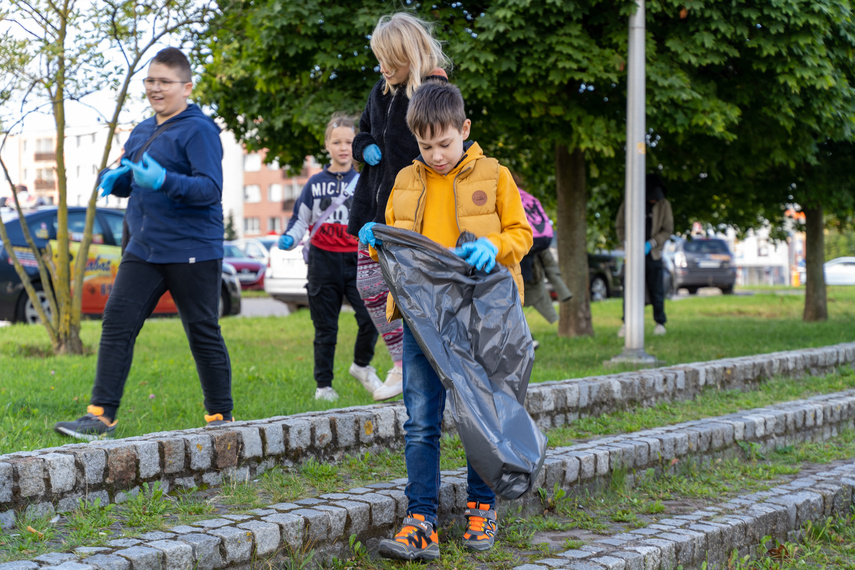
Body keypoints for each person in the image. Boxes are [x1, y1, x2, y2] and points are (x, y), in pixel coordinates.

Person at [359, 81, 533, 561]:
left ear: (465, 129)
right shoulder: (405, 181)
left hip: (480, 316)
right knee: (421, 421)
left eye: (445, 143)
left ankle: (482, 507)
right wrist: (375, 239)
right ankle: (421, 521)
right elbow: (395, 247)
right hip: (423, 320)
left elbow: (523, 232)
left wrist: (493, 246)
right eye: (425, 145)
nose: (435, 154)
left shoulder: (495, 175)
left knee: (482, 414)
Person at [54, 47, 233, 440]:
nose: (155, 88)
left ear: (186, 87)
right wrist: (117, 178)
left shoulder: (199, 130)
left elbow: (210, 189)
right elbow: (128, 171)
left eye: (164, 82)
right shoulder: (140, 130)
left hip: (192, 249)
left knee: (201, 330)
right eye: (150, 80)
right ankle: (101, 416)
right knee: (116, 323)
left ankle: (221, 416)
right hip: (143, 247)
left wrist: (165, 181)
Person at [347, 12, 450, 401]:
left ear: (413, 54)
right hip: (372, 209)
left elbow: (444, 148)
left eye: (391, 61)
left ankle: (425, 363)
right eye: (379, 60)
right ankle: (401, 361)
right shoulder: (381, 91)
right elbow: (362, 130)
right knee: (370, 286)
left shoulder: (432, 92)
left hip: (410, 212)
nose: (383, 68)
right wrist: (364, 147)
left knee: (409, 292)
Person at [277, 114, 381, 402]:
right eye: (337, 142)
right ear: (327, 145)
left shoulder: (365, 181)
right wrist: (290, 238)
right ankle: (324, 386)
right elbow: (301, 220)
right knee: (325, 328)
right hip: (322, 263)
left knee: (371, 317)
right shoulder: (314, 183)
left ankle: (361, 366)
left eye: (349, 141)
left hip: (358, 261)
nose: (344, 147)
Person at [616, 173, 674, 337]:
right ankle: (627, 323)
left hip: (653, 253)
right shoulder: (630, 202)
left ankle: (660, 323)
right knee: (629, 289)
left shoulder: (664, 205)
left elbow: (667, 229)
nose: (654, 201)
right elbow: (620, 225)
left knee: (657, 289)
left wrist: (652, 244)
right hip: (632, 254)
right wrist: (627, 243)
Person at [515, 175, 572, 335]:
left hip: (515, 251)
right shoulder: (527, 197)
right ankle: (525, 335)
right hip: (533, 252)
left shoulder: (504, 194)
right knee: (520, 294)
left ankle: (523, 335)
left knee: (512, 296)